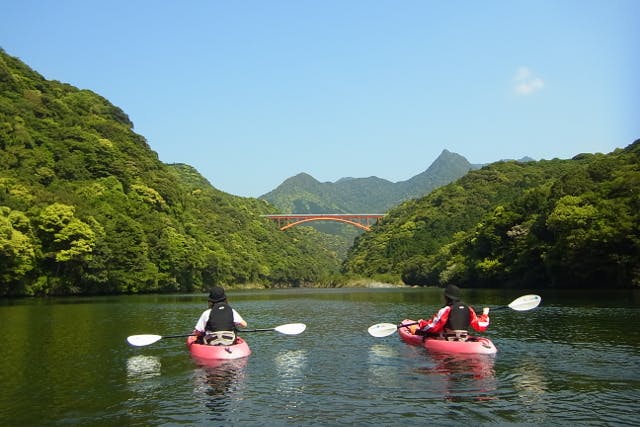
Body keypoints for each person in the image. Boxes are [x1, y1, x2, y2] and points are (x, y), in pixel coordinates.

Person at [415, 284, 490, 341]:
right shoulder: (469, 309)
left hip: (447, 339)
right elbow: (481, 326)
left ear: (446, 297)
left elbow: (433, 327)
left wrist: (421, 323)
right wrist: (485, 314)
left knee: (421, 331)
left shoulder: (446, 309)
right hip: (463, 339)